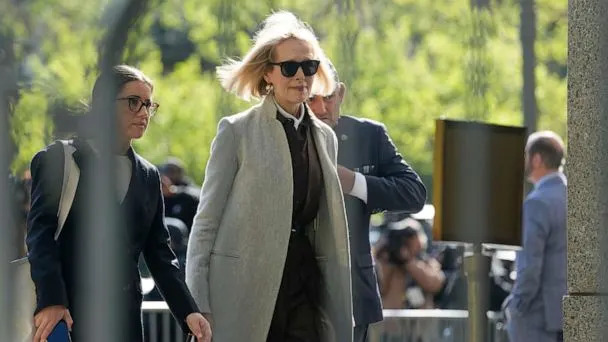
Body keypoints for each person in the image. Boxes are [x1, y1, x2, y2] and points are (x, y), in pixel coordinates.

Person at [186, 11, 353, 342]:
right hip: (244, 288)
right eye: (290, 67)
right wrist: (198, 303)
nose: (301, 76)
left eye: (309, 66)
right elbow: (205, 224)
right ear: (268, 74)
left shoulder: (325, 138)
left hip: (305, 283)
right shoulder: (236, 131)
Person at [26, 65, 210, 342]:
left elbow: (159, 254)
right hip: (67, 316)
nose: (144, 113)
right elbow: (40, 236)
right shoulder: (58, 159)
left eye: (148, 104)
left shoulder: (148, 175)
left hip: (125, 322)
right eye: (133, 102)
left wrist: (189, 312)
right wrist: (52, 300)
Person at [307, 60, 427, 342]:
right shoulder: (281, 135)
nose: (322, 108)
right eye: (312, 99)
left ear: (341, 94)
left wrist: (353, 182)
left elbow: (414, 193)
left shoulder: (368, 135)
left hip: (352, 296)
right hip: (292, 293)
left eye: (329, 97)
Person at [503, 131, 567, 342]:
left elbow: (529, 266)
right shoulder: (574, 197)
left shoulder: (537, 203)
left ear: (537, 158)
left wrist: (516, 306)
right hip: (569, 315)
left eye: (526, 154)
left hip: (539, 319)